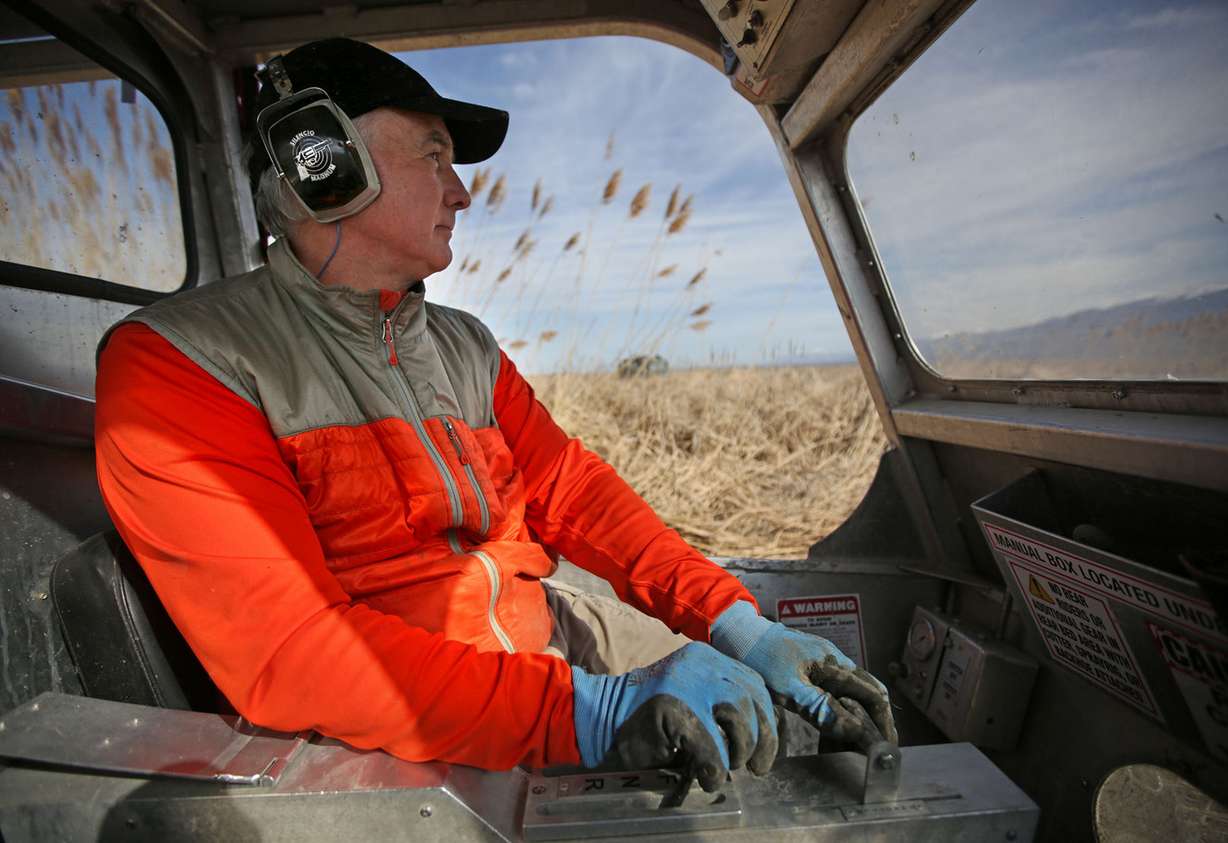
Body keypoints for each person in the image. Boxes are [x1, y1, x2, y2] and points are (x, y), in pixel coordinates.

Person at [93, 38, 894, 791]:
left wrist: (734, 621)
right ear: (322, 165)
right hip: (412, 732)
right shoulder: (183, 363)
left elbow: (573, 492)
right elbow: (293, 652)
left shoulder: (463, 345)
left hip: (546, 636)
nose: (462, 192)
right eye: (434, 154)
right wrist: (587, 712)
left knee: (787, 734)